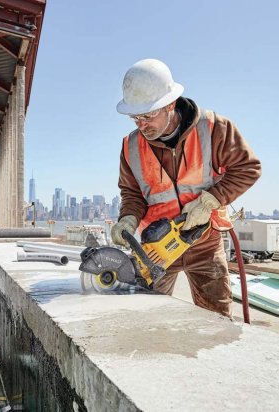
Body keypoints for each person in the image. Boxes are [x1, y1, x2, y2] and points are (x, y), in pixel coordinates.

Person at [110, 59, 261, 318]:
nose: (141, 125)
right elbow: (133, 194)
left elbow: (248, 168)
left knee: (217, 318)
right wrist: (128, 218)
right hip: (156, 247)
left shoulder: (214, 128)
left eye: (147, 116)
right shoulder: (130, 147)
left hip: (204, 240)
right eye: (135, 117)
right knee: (145, 316)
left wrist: (210, 201)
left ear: (170, 104)